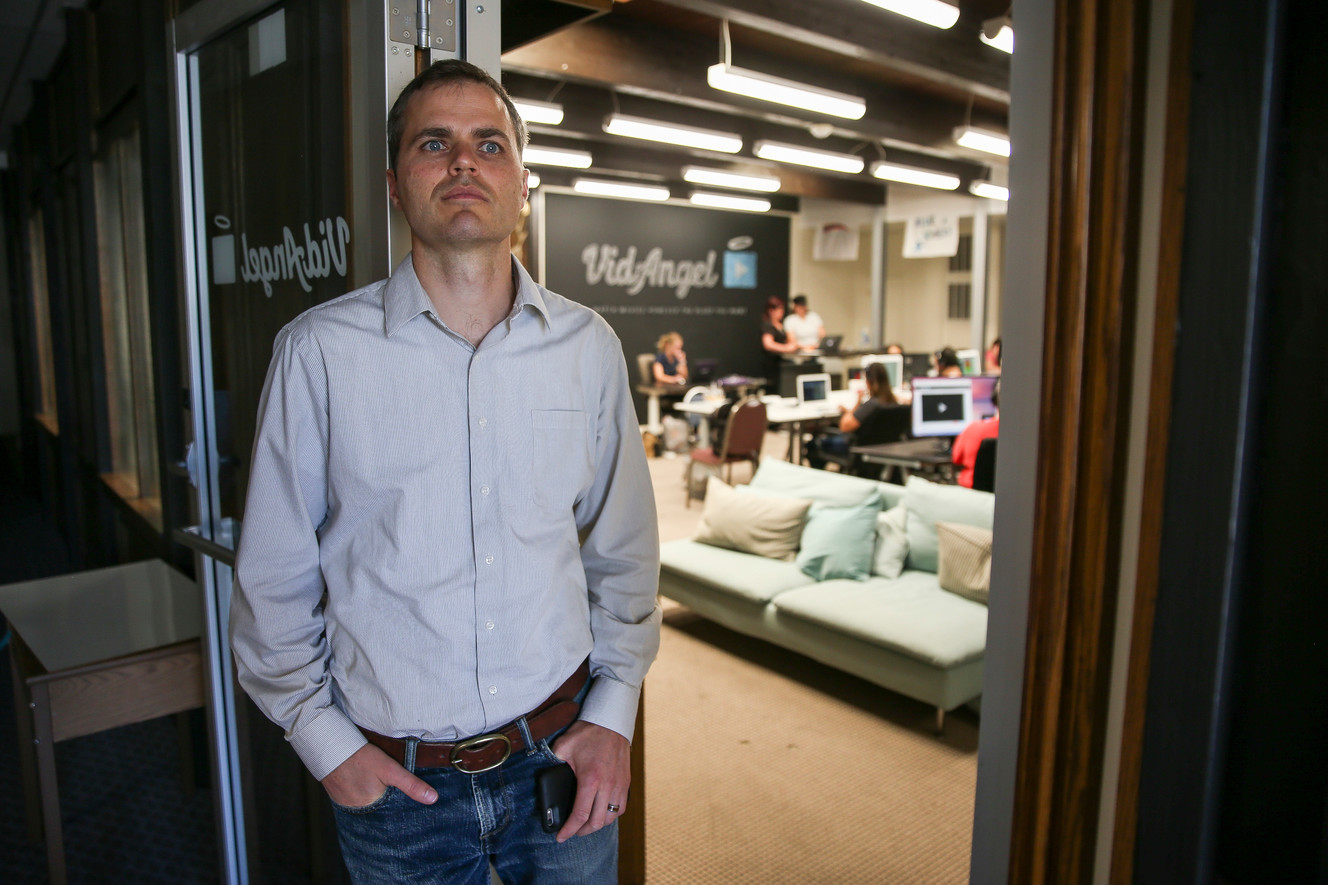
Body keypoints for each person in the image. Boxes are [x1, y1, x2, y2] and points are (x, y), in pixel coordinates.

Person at [230, 59, 661, 885]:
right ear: (396, 185)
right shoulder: (318, 354)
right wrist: (328, 748)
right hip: (397, 787)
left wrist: (614, 716)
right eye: (437, 142)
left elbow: (624, 556)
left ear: (522, 185)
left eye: (489, 144)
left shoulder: (589, 347)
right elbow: (273, 583)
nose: (465, 162)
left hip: (562, 757)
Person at [806, 362, 901, 469]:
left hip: (856, 449)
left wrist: (857, 403)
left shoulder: (871, 405)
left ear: (869, 382)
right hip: (882, 450)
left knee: (812, 444)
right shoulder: (893, 403)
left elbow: (844, 427)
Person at [952, 380, 1001, 488]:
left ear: (994, 400)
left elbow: (956, 458)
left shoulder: (973, 428)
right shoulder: (1021, 437)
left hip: (972, 494)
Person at [760, 296, 800, 380]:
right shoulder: (768, 325)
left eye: (782, 310)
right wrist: (786, 348)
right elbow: (768, 344)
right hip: (773, 364)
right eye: (779, 310)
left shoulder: (781, 325)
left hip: (783, 362)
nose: (781, 312)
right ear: (771, 311)